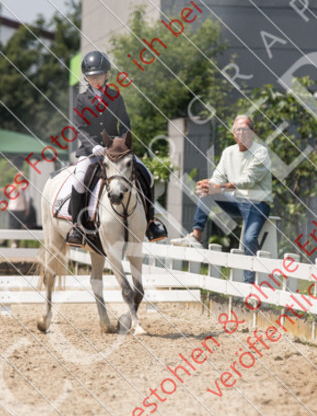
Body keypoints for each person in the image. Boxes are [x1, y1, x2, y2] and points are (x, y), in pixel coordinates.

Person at [66, 50, 167, 247]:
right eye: (91, 77)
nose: (95, 80)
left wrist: (120, 143)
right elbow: (79, 127)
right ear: (86, 78)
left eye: (99, 75)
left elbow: (125, 124)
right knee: (79, 179)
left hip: (117, 151)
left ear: (107, 75)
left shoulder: (115, 96)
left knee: (147, 174)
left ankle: (151, 223)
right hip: (91, 151)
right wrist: (92, 146)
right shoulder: (81, 100)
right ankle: (77, 227)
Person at [172, 115, 273, 284]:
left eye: (245, 129)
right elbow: (218, 177)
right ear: (233, 133)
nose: (241, 133)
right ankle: (197, 235)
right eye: (237, 129)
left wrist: (219, 187)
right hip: (235, 202)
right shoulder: (228, 152)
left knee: (249, 239)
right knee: (207, 190)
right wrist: (209, 184)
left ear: (252, 132)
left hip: (257, 204)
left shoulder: (260, 152)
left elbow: (248, 181)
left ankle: (250, 284)